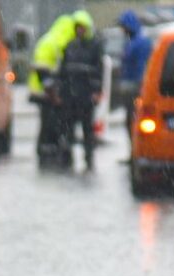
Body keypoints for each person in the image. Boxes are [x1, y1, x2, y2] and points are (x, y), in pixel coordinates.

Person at [57, 10, 105, 170]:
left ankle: (88, 158)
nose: (80, 30)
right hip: (70, 95)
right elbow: (62, 71)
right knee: (68, 128)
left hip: (86, 95)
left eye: (82, 27)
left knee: (87, 129)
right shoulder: (70, 46)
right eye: (78, 27)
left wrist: (97, 91)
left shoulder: (94, 47)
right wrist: (60, 91)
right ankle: (67, 157)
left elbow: (99, 70)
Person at [29, 14, 76, 165]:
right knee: (49, 123)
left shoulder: (50, 40)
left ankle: (47, 150)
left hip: (44, 91)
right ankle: (46, 151)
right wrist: (52, 91)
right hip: (45, 92)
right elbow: (43, 71)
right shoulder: (54, 43)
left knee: (48, 122)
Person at [117, 10, 154, 147]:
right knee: (130, 120)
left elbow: (141, 66)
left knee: (135, 120)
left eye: (124, 27)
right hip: (131, 87)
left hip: (136, 88)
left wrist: (141, 85)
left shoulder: (140, 42)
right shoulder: (131, 41)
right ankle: (133, 149)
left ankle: (138, 148)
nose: (122, 30)